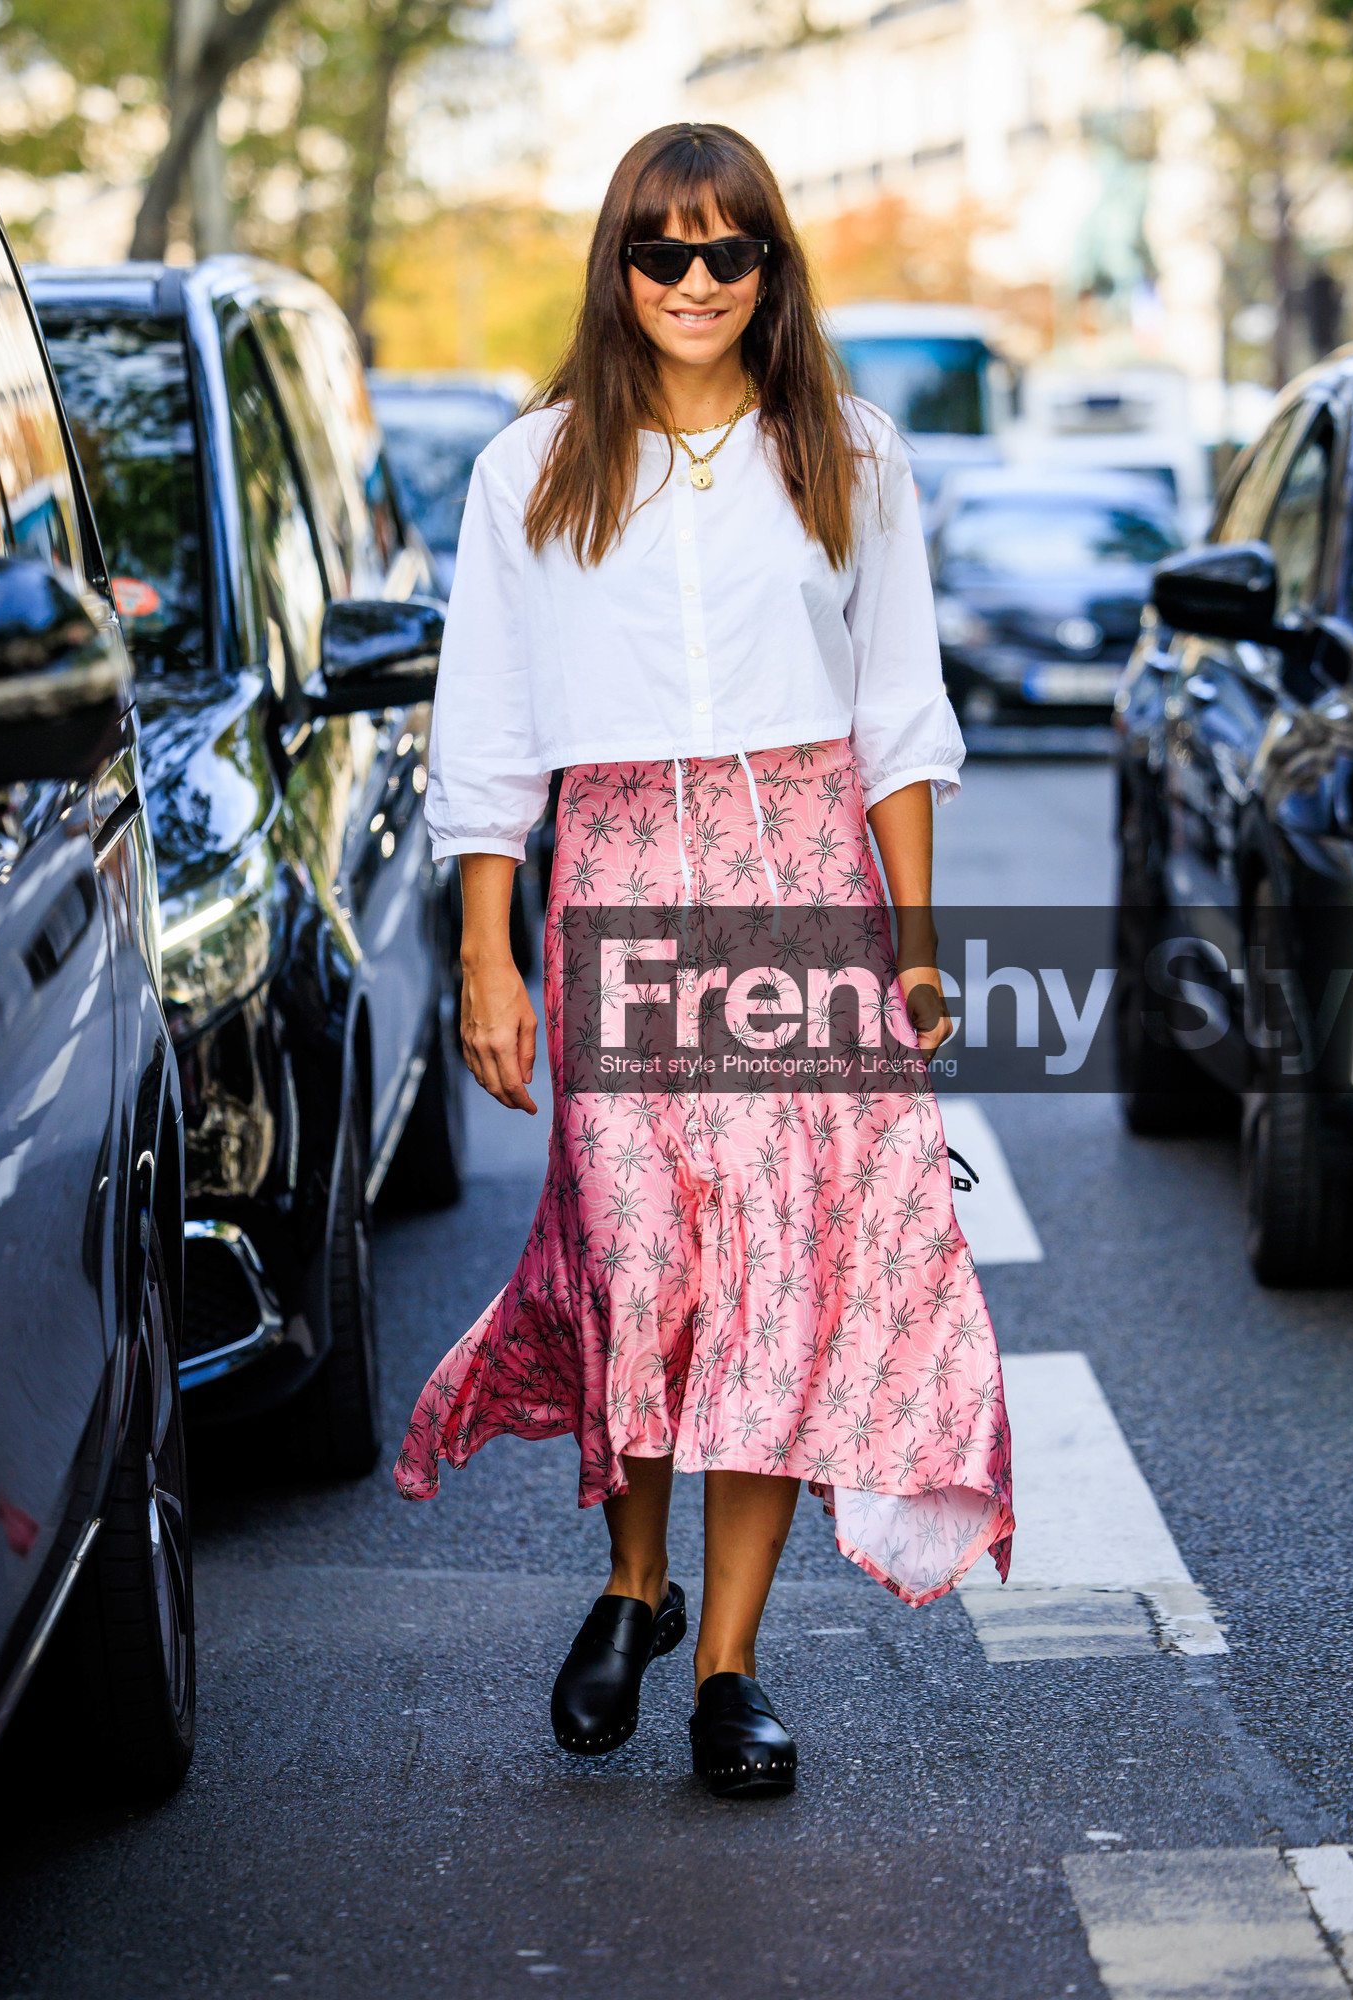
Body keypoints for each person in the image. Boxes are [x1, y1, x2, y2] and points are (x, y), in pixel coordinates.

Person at [395, 122, 1013, 1797]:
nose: (691, 281)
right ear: (615, 269)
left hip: (800, 874)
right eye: (658, 252)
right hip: (613, 870)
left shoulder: (849, 454)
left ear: (769, 271)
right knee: (639, 1246)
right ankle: (632, 1578)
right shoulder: (526, 470)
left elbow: (898, 717)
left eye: (726, 252)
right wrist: (485, 951)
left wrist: (918, 949)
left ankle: (727, 1660)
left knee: (773, 1279)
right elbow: (490, 729)